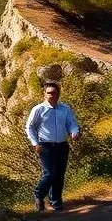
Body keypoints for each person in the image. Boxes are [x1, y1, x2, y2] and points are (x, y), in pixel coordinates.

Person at [25, 80, 81, 212]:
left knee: (59, 175)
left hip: (62, 145)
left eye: (53, 92)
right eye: (48, 93)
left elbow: (71, 123)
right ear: (44, 94)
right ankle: (38, 194)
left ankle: (56, 201)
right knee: (50, 173)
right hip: (45, 145)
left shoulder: (65, 109)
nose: (50, 95)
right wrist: (35, 143)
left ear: (58, 94)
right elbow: (30, 127)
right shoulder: (38, 109)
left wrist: (74, 132)